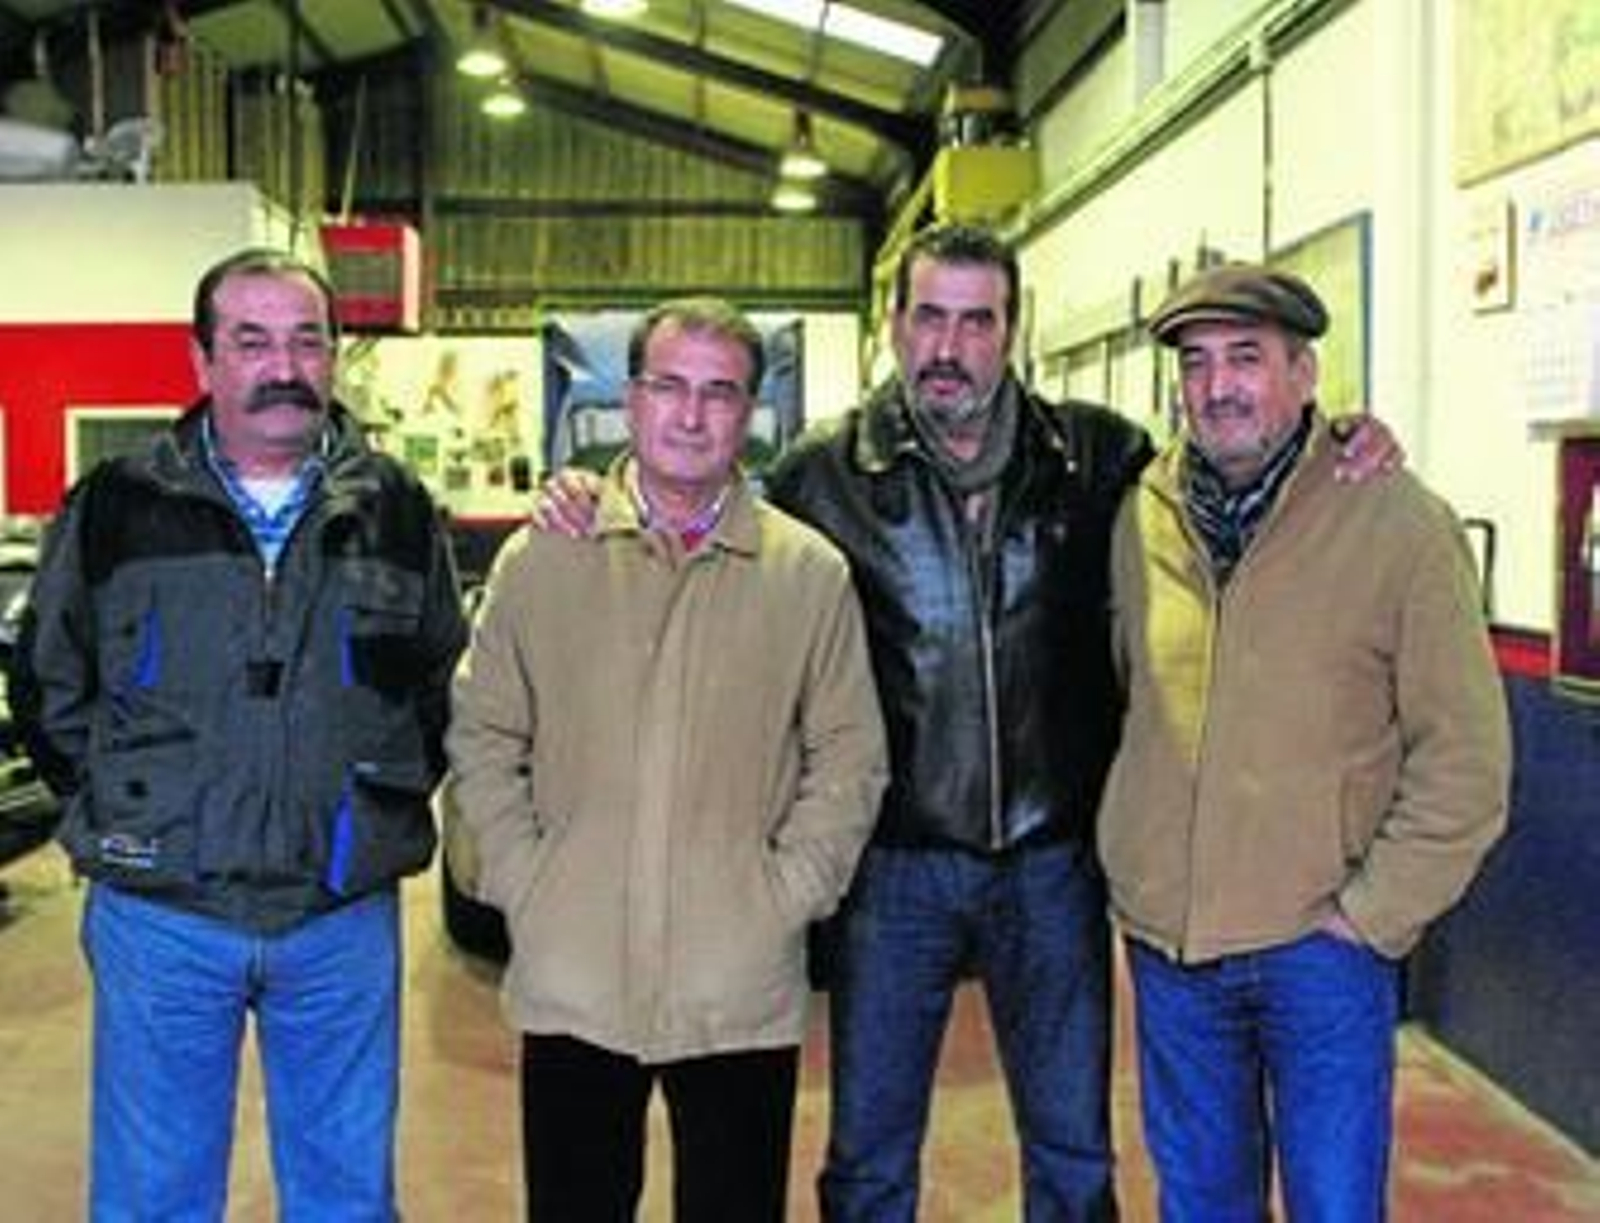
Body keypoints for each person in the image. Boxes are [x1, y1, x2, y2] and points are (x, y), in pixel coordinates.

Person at [532, 224, 1400, 1219]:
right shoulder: (821, 477)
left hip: (1050, 861)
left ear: (1010, 330)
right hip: (891, 868)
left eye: (976, 321)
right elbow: (692, 505)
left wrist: (1340, 437)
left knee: (1075, 1155)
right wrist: (588, 492)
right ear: (893, 327)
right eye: (929, 317)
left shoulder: (1100, 458)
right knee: (866, 1160)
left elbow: (1235, 463)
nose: (949, 347)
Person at [10, 248, 468, 1220]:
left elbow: (438, 682)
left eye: (308, 340)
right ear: (202, 360)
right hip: (163, 915)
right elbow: (50, 684)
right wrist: (133, 807)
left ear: (335, 357)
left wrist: (369, 798)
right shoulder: (117, 506)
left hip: (338, 912)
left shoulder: (394, 508)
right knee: (152, 1193)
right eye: (252, 340)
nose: (283, 366)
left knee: (346, 1193)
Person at [446, 296, 887, 1221]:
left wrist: (784, 895)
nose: (692, 415)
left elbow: (849, 757)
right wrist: (530, 879)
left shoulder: (807, 575)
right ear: (632, 400)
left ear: (752, 414)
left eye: (720, 392)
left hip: (738, 981)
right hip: (575, 975)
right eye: (669, 387)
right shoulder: (542, 562)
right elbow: (483, 735)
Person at [1098, 263, 1511, 1221]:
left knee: (1332, 1204)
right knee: (1201, 1201)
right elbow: (1131, 695)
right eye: (1196, 364)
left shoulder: (1401, 524)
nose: (1219, 385)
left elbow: (1468, 759)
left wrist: (1371, 914)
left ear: (1307, 374)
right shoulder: (1140, 516)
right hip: (1174, 951)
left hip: (1321, 949)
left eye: (1248, 358)